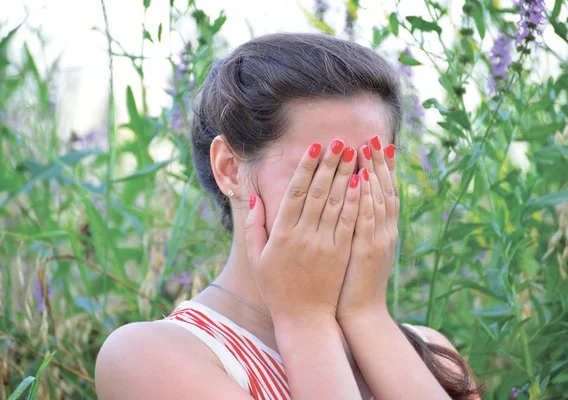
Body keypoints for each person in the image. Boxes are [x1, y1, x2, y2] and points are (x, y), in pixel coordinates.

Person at [95, 33, 483, 400]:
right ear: (230, 168)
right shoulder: (150, 356)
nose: (346, 197)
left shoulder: (429, 351)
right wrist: (305, 320)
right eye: (323, 171)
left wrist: (367, 315)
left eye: (368, 170)